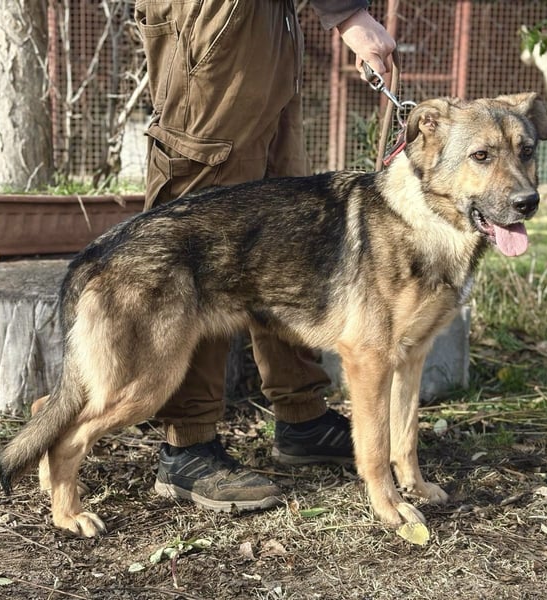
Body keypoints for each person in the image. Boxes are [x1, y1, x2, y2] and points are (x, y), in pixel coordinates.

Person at [133, 0, 396, 511]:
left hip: (270, 18)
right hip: (214, 15)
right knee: (202, 222)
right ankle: (187, 442)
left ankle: (302, 417)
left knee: (287, 217)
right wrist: (346, 14)